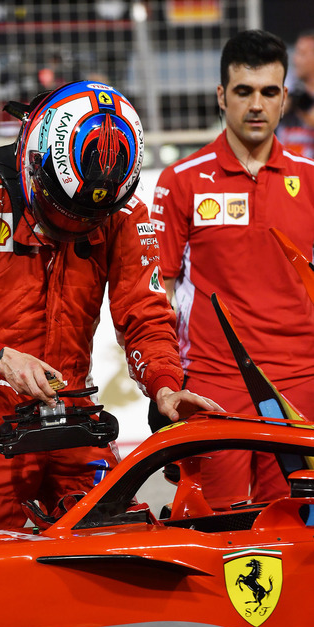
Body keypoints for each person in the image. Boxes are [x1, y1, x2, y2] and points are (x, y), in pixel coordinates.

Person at [0, 80, 221, 539]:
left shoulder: (125, 213)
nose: (74, 228)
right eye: (62, 209)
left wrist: (164, 385)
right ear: (34, 159)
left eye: (90, 219)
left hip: (77, 418)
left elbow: (145, 315)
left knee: (120, 559)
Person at [150, 29, 314, 509]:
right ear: (222, 96)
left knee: (295, 534)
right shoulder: (180, 181)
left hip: (301, 383)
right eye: (244, 91)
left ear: (285, 97)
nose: (256, 104)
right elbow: (156, 289)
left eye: (268, 92)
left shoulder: (310, 180)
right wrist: (163, 380)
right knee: (211, 529)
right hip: (215, 384)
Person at [277, 30, 314, 159]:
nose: (295, 59)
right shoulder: (286, 85)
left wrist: (306, 109)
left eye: (302, 54)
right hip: (287, 170)